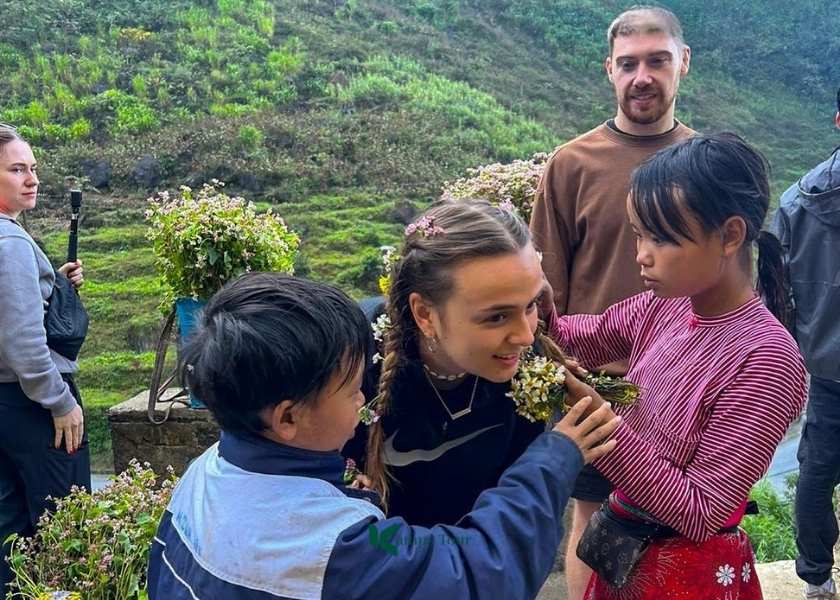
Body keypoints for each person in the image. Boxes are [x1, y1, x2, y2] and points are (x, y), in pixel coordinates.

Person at [146, 272, 620, 599]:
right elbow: (480, 575)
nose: (361, 401)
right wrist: (554, 459)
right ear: (287, 418)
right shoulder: (341, 549)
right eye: (352, 389)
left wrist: (344, 500)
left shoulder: (204, 474)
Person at [550, 133, 807, 599]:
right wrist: (531, 303)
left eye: (662, 237)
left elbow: (701, 509)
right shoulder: (668, 305)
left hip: (688, 577)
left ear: (729, 235)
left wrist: (599, 421)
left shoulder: (766, 359)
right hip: (627, 554)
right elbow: (583, 335)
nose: (641, 254)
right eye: (639, 234)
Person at [528, 7, 695, 595]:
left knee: (684, 524)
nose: (642, 76)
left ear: (683, 63)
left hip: (691, 381)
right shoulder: (572, 164)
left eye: (656, 60)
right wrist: (557, 374)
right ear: (609, 71)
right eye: (628, 64)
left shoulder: (704, 165)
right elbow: (543, 290)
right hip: (596, 383)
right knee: (592, 521)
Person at [343, 200, 574, 527]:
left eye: (532, 304)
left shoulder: (527, 369)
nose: (524, 336)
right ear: (424, 313)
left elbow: (510, 508)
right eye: (496, 317)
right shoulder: (351, 368)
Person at [0, 124, 88, 598]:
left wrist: (52, 281)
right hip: (34, 406)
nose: (31, 178)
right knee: (64, 527)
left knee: (11, 527)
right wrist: (59, 402)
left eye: (32, 168)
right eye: (17, 169)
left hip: (5, 403)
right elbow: (21, 341)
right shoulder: (10, 242)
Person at [772, 88, 840, 600]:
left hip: (826, 370)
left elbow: (776, 303)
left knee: (816, 474)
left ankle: (816, 578)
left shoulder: (796, 203)